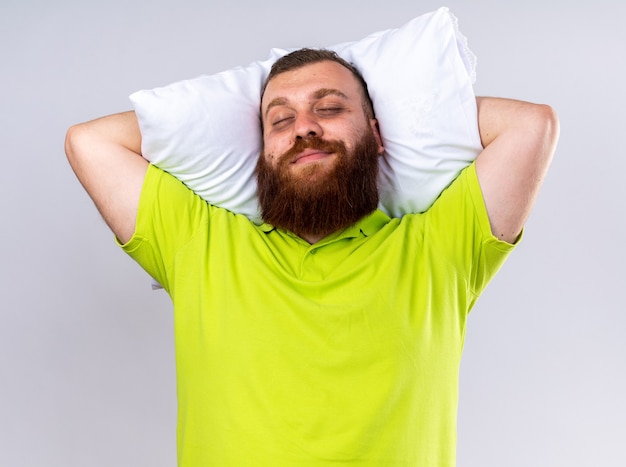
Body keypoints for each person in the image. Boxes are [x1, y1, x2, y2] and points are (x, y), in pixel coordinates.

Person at [65, 49, 559, 466]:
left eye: (328, 109)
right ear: (260, 153)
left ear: (377, 134)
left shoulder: (438, 244)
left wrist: (410, 106)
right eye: (280, 120)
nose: (304, 128)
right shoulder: (201, 240)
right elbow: (89, 143)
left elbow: (531, 125)